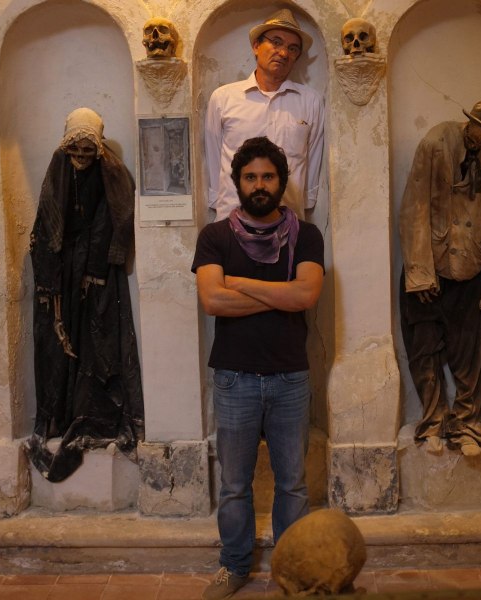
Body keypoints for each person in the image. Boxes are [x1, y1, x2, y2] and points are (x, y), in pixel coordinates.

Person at [192, 137, 324, 599]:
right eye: (250, 177)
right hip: (235, 377)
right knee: (233, 484)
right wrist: (281, 295)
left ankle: (290, 568)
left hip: (290, 376)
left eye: (268, 176)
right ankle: (234, 566)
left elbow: (307, 295)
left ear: (281, 181)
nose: (260, 184)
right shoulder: (215, 237)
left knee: (293, 484)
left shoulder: (307, 236)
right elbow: (213, 301)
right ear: (238, 182)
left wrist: (240, 284)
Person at [26, 108, 144, 482]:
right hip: (63, 271)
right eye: (74, 149)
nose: (80, 155)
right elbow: (47, 219)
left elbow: (120, 215)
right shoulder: (58, 168)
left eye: (86, 149)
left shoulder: (111, 171)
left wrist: (98, 266)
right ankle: (58, 414)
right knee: (59, 345)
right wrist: (50, 278)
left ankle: (97, 413)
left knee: (99, 342)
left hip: (97, 273)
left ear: (97, 145)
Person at [399, 99, 481, 457]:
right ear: (471, 122)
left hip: (472, 267)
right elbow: (414, 206)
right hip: (430, 264)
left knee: (472, 350)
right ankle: (432, 421)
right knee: (424, 345)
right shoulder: (436, 144)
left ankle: (468, 425)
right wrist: (420, 273)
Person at [205, 8, 325, 221]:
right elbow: (214, 160)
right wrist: (220, 203)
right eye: (276, 42)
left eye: (293, 48)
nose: (284, 53)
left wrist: (303, 205)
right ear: (256, 46)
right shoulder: (223, 98)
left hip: (288, 223)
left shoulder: (310, 101)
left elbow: (312, 163)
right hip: (232, 221)